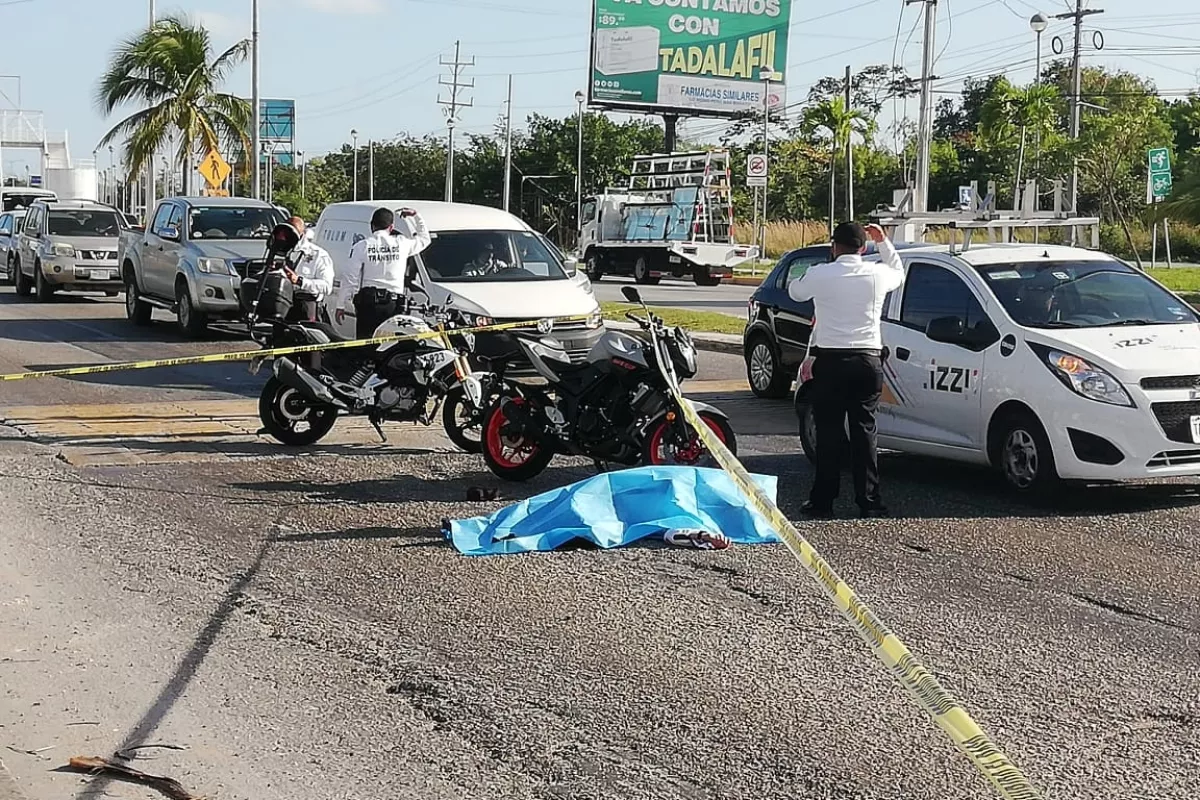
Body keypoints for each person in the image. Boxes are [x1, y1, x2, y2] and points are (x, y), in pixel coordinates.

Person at [790, 222, 904, 519]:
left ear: (834, 247)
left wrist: (817, 274)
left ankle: (823, 501)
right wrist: (884, 242)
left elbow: (795, 292)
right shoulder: (877, 273)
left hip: (831, 362)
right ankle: (869, 500)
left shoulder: (821, 274)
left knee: (828, 432)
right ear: (863, 248)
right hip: (868, 361)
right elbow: (898, 272)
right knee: (865, 431)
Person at [336, 207, 431, 339]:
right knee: (390, 346)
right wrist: (416, 216)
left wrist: (341, 304)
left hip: (368, 304)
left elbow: (350, 277)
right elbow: (425, 239)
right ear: (391, 227)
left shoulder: (362, 246)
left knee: (366, 347)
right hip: (393, 305)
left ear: (372, 226)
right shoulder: (402, 243)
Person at [282, 216, 335, 323]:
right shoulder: (280, 251)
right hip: (283, 305)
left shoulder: (318, 255)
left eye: (294, 232)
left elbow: (327, 287)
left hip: (307, 308)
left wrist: (300, 281)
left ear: (303, 233)